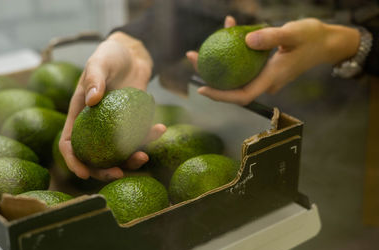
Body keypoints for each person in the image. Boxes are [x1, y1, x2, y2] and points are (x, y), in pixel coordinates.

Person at [59, 0, 378, 181]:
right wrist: (136, 42)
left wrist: (346, 43)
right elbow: (208, 7)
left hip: (358, 125)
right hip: (244, 90)